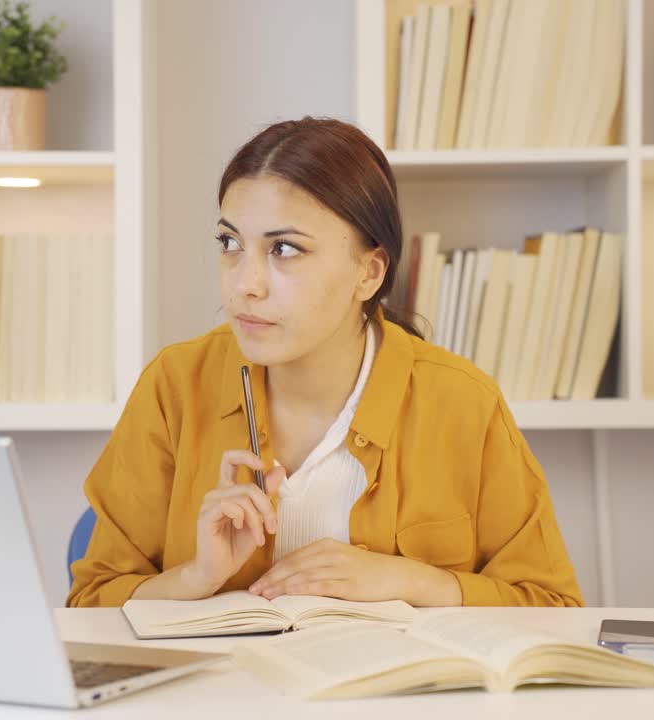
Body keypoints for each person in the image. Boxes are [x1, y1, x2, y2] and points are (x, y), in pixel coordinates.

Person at [67, 117, 583, 608]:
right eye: (230, 243)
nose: (245, 284)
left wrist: (410, 579)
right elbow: (91, 599)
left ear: (369, 273)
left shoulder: (464, 402)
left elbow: (552, 604)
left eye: (284, 249)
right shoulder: (174, 386)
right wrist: (197, 576)